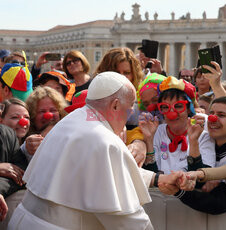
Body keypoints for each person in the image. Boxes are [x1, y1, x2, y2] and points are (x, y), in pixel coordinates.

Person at [8, 72, 195, 230]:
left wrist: (157, 179)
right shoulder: (103, 140)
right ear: (114, 105)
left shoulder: (72, 121)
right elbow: (127, 218)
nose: (131, 113)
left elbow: (109, 172)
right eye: (130, 107)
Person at [159, 97, 226, 215]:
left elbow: (218, 203)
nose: (212, 118)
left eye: (221, 115)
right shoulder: (199, 143)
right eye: (211, 113)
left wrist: (178, 191)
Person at [139, 76, 215, 174]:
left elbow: (201, 180)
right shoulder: (156, 132)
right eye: (165, 107)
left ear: (188, 109)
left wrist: (193, 141)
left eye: (178, 106)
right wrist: (148, 139)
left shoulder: (203, 134)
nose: (172, 113)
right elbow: (150, 175)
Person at [21, 86, 68, 161]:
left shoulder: (71, 136)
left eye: (53, 110)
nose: (48, 115)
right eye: (42, 111)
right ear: (33, 116)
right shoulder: (25, 143)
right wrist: (26, 150)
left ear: (60, 113)